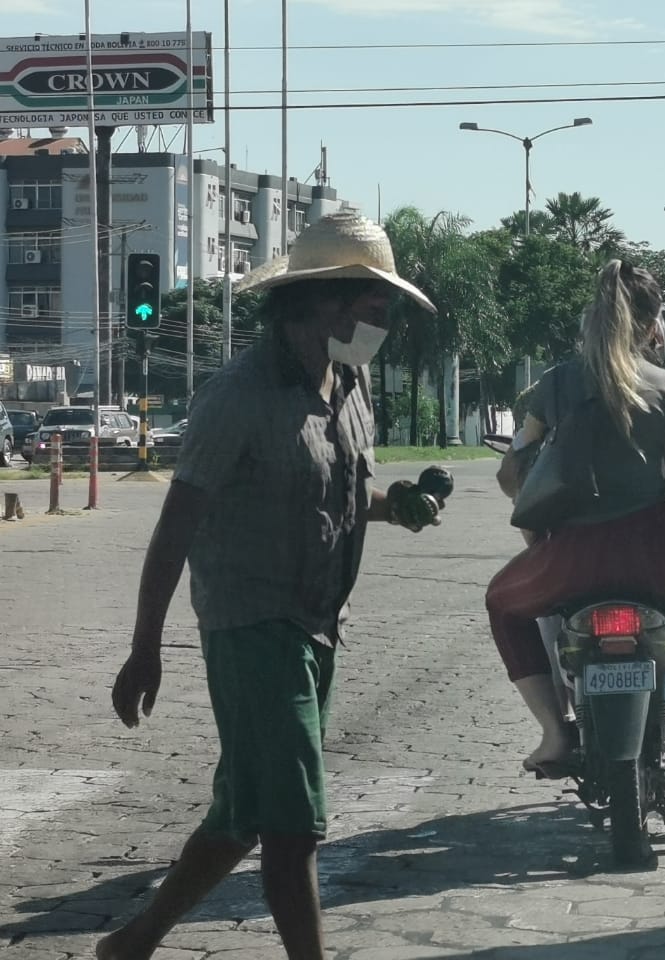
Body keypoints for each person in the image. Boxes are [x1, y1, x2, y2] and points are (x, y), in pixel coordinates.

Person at [97, 213, 446, 960]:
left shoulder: (348, 387)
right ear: (322, 302)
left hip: (320, 623)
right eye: (375, 310)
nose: (382, 327)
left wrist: (397, 505)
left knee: (244, 811)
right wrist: (144, 648)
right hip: (253, 627)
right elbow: (176, 526)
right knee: (294, 828)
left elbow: (343, 493)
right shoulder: (238, 396)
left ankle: (133, 942)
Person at [486, 260, 665, 791]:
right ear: (655, 325)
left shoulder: (556, 385)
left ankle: (553, 732)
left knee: (502, 602)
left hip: (567, 562)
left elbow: (513, 472)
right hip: (661, 559)